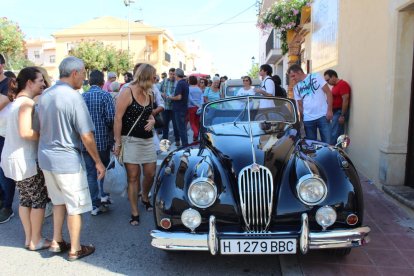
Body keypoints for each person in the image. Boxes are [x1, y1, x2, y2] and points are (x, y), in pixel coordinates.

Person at [36, 56, 105, 261]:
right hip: (67, 160)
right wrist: (98, 161)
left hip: (46, 158)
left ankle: (57, 241)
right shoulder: (74, 97)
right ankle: (75, 248)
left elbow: (37, 128)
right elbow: (86, 135)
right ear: (74, 73)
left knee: (58, 201)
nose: (84, 78)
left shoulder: (45, 95)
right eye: (83, 73)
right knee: (75, 206)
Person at [0, 67, 51, 250]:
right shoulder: (26, 103)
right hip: (24, 160)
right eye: (40, 81)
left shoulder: (16, 102)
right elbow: (25, 132)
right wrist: (46, 134)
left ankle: (30, 238)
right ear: (29, 83)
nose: (43, 84)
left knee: (25, 199)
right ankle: (36, 240)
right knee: (38, 200)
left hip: (13, 158)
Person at [113, 63, 156, 226]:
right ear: (146, 77)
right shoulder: (127, 91)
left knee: (151, 173)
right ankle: (134, 211)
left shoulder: (150, 93)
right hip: (129, 140)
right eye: (153, 76)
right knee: (133, 177)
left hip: (147, 140)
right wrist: (117, 143)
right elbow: (118, 118)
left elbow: (149, 114)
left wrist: (152, 121)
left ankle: (144, 195)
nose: (155, 79)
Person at [82, 69, 115, 215]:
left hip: (86, 142)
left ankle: (93, 204)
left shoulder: (82, 97)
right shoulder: (105, 96)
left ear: (89, 81)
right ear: (103, 82)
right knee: (103, 170)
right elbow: (110, 119)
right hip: (102, 141)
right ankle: (103, 196)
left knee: (90, 173)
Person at [288, 64, 333, 143]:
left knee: (327, 144)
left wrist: (329, 110)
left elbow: (328, 93)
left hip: (323, 115)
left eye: (293, 76)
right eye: (291, 77)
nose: (292, 79)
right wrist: (304, 118)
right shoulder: (296, 88)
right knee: (311, 146)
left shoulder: (316, 76)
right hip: (308, 120)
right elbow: (300, 105)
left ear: (299, 72)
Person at [0, 54, 16, 224]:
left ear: (2, 65)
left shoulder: (10, 83)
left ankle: (7, 206)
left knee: (5, 171)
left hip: (4, 133)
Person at [324, 69, 351, 144]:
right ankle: (338, 151)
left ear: (333, 76)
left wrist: (342, 115)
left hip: (339, 112)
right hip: (335, 112)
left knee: (334, 133)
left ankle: (332, 151)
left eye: (328, 80)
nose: (327, 82)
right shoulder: (335, 86)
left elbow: (345, 99)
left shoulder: (342, 84)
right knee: (338, 134)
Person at [167, 68, 189, 146]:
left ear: (176, 75)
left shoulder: (180, 83)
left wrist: (170, 97)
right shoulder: (185, 83)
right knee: (183, 128)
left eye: (175, 74)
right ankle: (185, 144)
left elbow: (179, 97)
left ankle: (185, 145)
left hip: (179, 109)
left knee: (181, 129)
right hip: (183, 108)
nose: (174, 76)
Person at [159, 68, 180, 146]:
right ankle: (165, 142)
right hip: (165, 107)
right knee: (165, 125)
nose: (172, 75)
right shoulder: (164, 81)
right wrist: (162, 94)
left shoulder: (177, 82)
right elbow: (159, 91)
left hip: (174, 107)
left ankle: (177, 140)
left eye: (174, 74)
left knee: (175, 125)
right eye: (171, 74)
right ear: (168, 74)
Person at [188, 76, 203, 142]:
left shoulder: (189, 89)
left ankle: (196, 133)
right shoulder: (199, 89)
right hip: (199, 107)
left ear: (190, 81)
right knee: (197, 122)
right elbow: (201, 98)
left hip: (191, 107)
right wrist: (200, 105)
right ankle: (195, 136)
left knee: (192, 123)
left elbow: (190, 99)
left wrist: (195, 104)